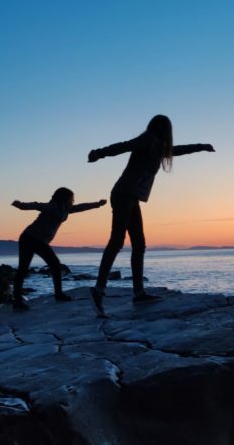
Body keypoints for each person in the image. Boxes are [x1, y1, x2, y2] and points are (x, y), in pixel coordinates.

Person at [87, 114, 214, 315]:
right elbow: (123, 146)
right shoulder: (147, 140)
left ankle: (138, 293)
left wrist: (201, 146)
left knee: (139, 244)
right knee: (117, 241)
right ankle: (98, 290)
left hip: (131, 197)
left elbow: (176, 151)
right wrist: (98, 153)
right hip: (123, 194)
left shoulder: (159, 147)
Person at [11, 188, 106, 311]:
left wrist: (97, 204)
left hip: (37, 240)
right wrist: (21, 205)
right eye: (71, 198)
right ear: (65, 198)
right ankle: (21, 300)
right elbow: (36, 205)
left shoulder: (66, 209)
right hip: (30, 238)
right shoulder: (52, 207)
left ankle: (56, 294)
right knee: (43, 266)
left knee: (48, 266)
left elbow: (81, 207)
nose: (73, 200)